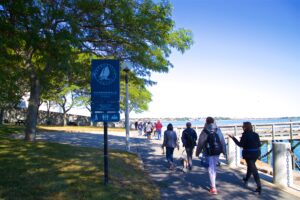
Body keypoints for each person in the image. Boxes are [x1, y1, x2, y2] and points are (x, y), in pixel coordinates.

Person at [228, 122, 262, 194]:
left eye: (243, 127)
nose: (242, 128)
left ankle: (259, 187)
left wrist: (233, 137)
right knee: (250, 167)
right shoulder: (256, 134)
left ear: (245, 127)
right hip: (256, 153)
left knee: (253, 169)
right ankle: (246, 179)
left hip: (249, 154)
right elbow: (259, 144)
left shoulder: (245, 135)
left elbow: (240, 145)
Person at [196, 117, 226, 195]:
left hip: (208, 152)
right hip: (217, 151)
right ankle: (213, 185)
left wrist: (197, 152)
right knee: (213, 168)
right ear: (213, 121)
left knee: (211, 168)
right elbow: (222, 141)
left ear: (206, 122)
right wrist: (224, 151)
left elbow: (200, 143)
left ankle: (213, 187)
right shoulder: (218, 129)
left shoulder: (205, 131)